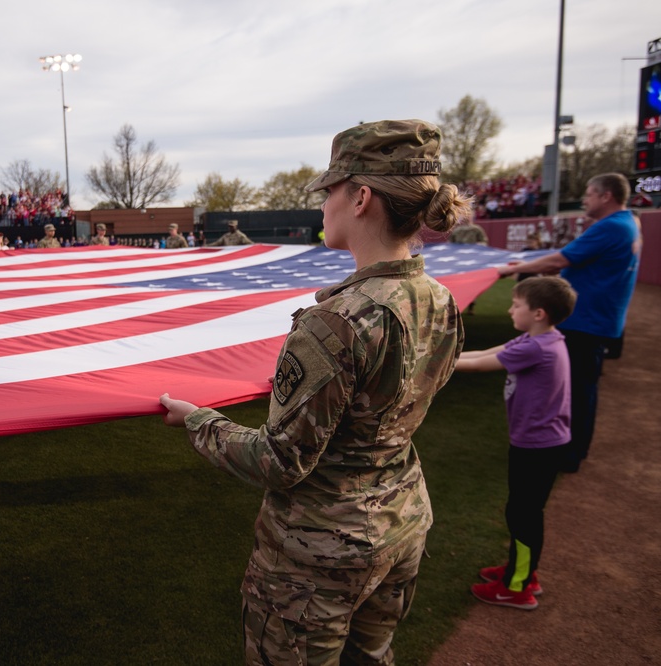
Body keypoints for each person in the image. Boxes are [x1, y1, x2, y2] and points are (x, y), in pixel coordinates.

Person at [159, 120, 467, 664]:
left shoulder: (335, 322)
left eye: (329, 191)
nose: (322, 205)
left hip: (318, 555)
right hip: (403, 521)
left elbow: (280, 461)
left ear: (361, 197)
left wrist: (197, 421)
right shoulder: (439, 299)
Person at [496, 173, 641, 473]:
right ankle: (573, 449)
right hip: (598, 319)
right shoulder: (629, 223)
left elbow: (558, 261)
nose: (584, 199)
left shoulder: (611, 226)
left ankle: (570, 454)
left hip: (586, 321)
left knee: (577, 389)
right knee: (581, 386)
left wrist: (515, 269)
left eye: (589, 193)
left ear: (606, 197)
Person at [455, 276, 577, 610]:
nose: (511, 309)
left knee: (523, 515)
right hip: (540, 444)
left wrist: (431, 366)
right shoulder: (541, 339)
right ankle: (519, 570)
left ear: (538, 313)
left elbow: (481, 364)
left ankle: (518, 585)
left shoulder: (536, 346)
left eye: (516, 305)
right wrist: (442, 356)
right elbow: (484, 351)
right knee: (522, 511)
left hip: (537, 447)